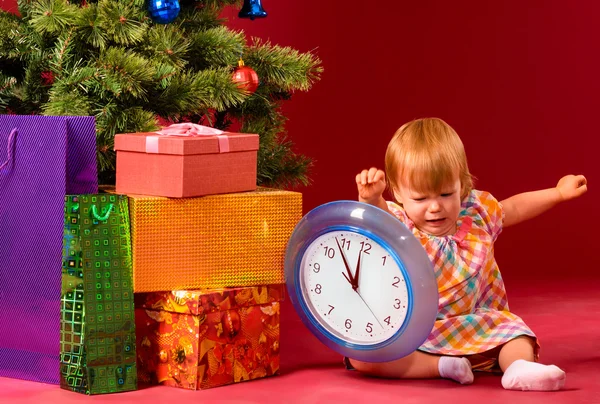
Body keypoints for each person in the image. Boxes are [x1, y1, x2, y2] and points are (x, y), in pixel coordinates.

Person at [351, 117, 587, 391]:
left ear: (461, 185)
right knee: (363, 358)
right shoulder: (400, 225)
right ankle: (441, 367)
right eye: (420, 198)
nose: (435, 207)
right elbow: (377, 217)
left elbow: (515, 208)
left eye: (445, 193)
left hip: (476, 322)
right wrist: (371, 199)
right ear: (399, 193)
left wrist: (557, 193)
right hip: (413, 332)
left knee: (515, 334)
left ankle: (519, 368)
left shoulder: (476, 215)